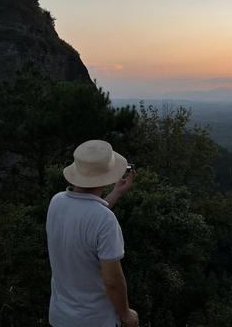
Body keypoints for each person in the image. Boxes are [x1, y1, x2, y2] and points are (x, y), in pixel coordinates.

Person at [46, 139, 139, 327]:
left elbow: (86, 216)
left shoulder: (57, 202)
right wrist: (126, 314)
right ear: (108, 175)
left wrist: (116, 193)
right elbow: (112, 280)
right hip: (94, 320)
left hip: (59, 317)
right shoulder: (105, 220)